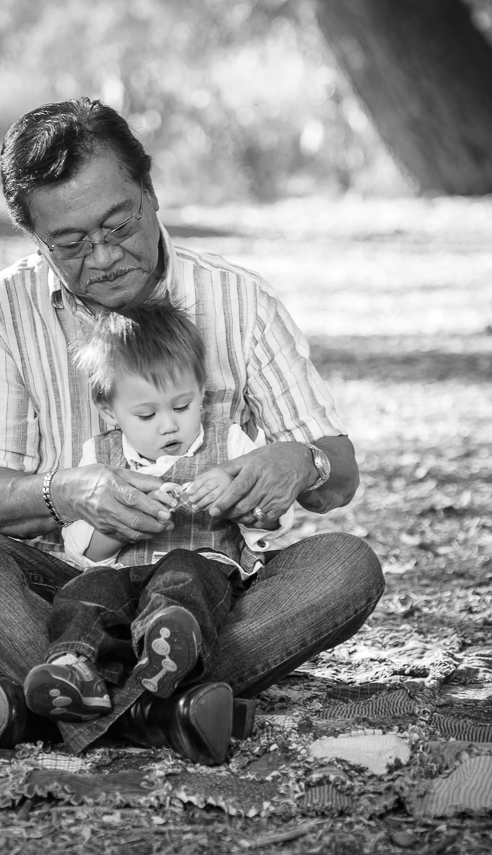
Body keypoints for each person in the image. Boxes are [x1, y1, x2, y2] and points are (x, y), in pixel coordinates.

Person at [0, 97, 383, 766]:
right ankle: (166, 708)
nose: (105, 257)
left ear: (151, 194)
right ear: (34, 237)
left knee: (344, 566)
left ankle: (58, 700)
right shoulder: (3, 309)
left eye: (119, 225)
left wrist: (300, 462)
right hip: (70, 585)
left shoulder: (238, 301)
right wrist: (69, 491)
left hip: (208, 586)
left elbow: (336, 475)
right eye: (72, 245)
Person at [24, 300, 296, 722]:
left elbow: (273, 525)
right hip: (121, 578)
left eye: (182, 407)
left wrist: (239, 502)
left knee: (182, 571)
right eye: (147, 414)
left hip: (204, 573)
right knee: (84, 593)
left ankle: (167, 645)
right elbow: (86, 554)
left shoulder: (232, 444)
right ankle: (73, 670)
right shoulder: (99, 458)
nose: (168, 425)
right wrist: (122, 521)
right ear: (108, 410)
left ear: (202, 392)